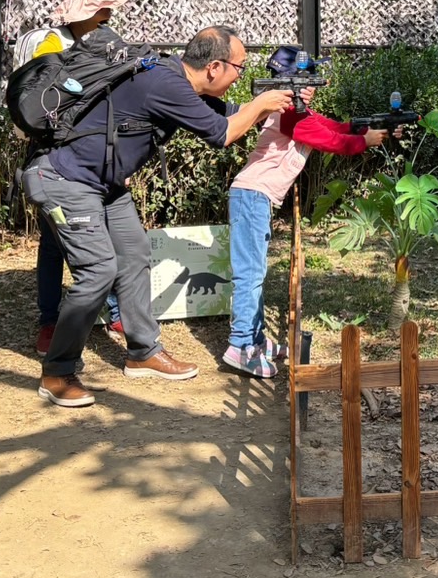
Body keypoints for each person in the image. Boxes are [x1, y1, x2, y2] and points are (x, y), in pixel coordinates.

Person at [22, 25, 295, 407]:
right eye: (238, 67)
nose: (241, 75)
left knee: (134, 253)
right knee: (98, 270)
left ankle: (142, 353)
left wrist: (282, 102)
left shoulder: (174, 80)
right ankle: (57, 372)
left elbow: (230, 114)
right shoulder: (165, 84)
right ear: (215, 67)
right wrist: (262, 104)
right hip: (64, 180)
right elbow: (222, 133)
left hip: (103, 184)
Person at [222, 46, 389, 379]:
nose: (311, 86)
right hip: (252, 196)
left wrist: (370, 128)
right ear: (286, 84)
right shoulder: (289, 117)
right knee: (250, 275)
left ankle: (254, 340)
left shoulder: (297, 114)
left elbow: (337, 129)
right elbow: (335, 143)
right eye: (304, 80)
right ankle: (240, 347)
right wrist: (364, 141)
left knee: (255, 274)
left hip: (256, 198)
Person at [13, 0, 137, 357]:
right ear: (85, 7)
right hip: (56, 158)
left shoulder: (108, 41)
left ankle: (115, 311)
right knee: (53, 242)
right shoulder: (49, 44)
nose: (110, 12)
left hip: (102, 155)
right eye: (102, 5)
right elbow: (36, 108)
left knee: (111, 236)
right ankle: (50, 321)